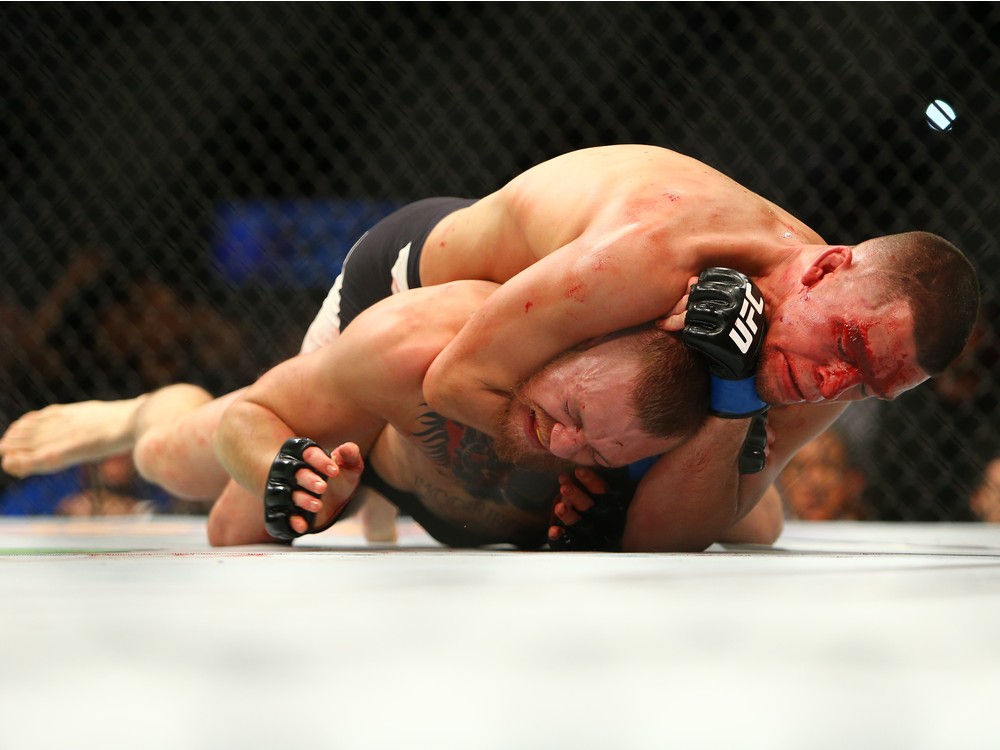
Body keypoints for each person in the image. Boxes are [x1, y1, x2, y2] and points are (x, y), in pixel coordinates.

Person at [298, 145, 979, 548]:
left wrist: (734, 399)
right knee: (247, 476)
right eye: (848, 350)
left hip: (533, 377)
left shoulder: (833, 354)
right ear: (824, 267)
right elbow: (457, 382)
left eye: (866, 388)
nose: (834, 385)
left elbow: (670, 536)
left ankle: (380, 492)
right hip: (407, 295)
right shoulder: (656, 249)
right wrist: (626, 479)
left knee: (750, 513)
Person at [0, 281, 729, 550]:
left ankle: (363, 496)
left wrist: (616, 526)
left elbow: (749, 516)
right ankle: (140, 413)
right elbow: (249, 418)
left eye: (596, 450)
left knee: (241, 523)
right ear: (570, 347)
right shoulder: (419, 344)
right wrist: (290, 470)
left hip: (413, 470)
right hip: (379, 324)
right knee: (178, 470)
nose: (564, 441)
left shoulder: (660, 444)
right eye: (571, 408)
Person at [777, 427, 867, 521]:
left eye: (828, 467)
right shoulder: (768, 531)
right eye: (801, 469)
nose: (816, 482)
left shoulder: (873, 532)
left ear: (853, 481)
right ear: (783, 478)